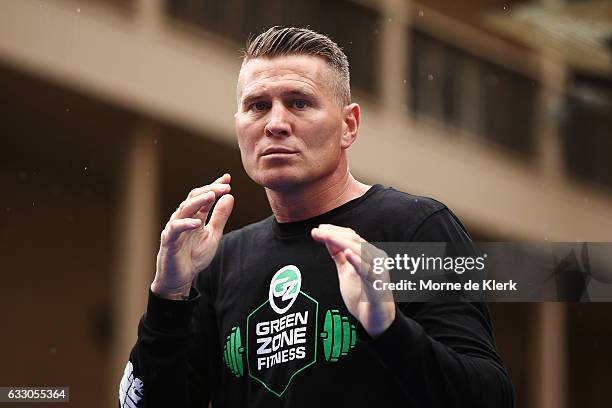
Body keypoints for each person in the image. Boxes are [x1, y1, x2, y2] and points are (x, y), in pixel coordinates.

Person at [119, 26, 514, 408]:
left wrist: (389, 329)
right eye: (258, 105)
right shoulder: (221, 262)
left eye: (299, 102)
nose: (275, 123)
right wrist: (168, 297)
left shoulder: (414, 227)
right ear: (239, 125)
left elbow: (489, 398)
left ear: (349, 125)